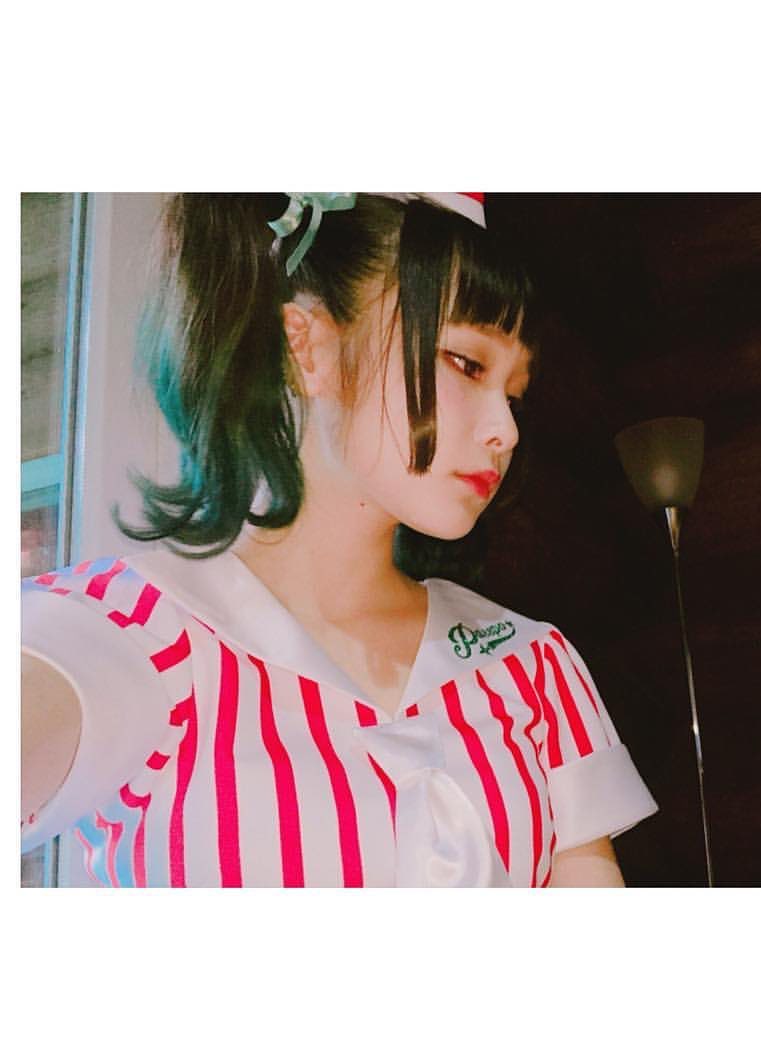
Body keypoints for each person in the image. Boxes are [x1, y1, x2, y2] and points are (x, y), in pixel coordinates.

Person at [20, 192, 658, 888]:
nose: (505, 430)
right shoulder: (133, 633)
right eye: (467, 364)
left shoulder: (531, 666)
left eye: (515, 394)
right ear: (310, 346)